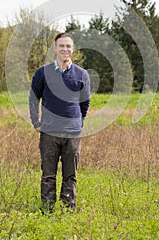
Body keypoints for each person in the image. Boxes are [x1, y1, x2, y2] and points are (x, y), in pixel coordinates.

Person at [29, 32, 90, 214]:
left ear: (73, 49)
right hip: (49, 132)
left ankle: (67, 211)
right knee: (48, 175)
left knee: (70, 175)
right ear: (55, 48)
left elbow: (85, 102)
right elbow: (33, 98)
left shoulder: (81, 74)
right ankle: (47, 211)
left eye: (68, 46)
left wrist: (79, 122)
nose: (65, 49)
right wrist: (36, 122)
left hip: (72, 133)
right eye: (61, 46)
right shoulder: (43, 73)